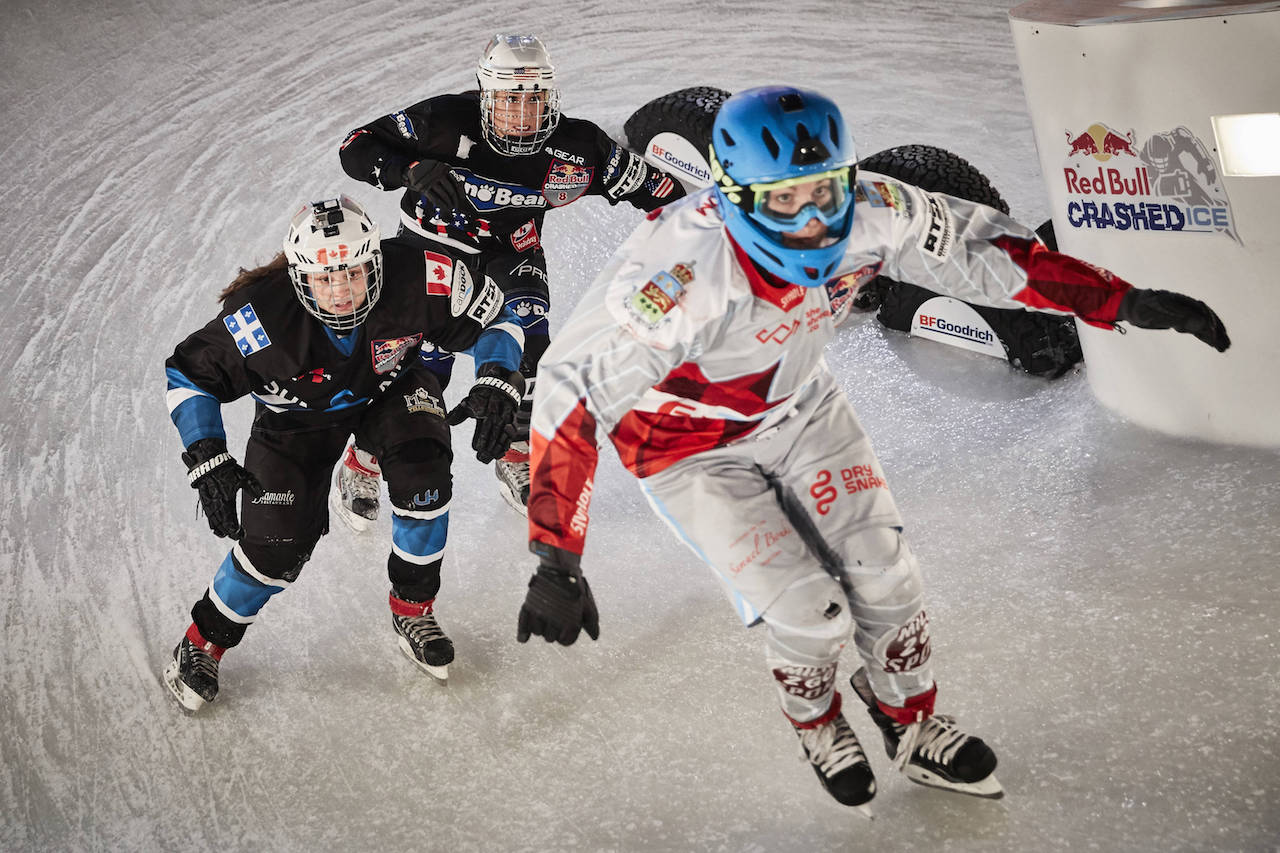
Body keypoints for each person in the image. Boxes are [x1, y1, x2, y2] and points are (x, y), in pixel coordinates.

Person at [513, 86, 1230, 809]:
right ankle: (817, 719)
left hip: (798, 405)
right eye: (786, 202)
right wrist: (556, 552)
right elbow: (572, 384)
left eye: (826, 190)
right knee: (806, 610)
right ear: (731, 196)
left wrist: (1122, 299)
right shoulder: (679, 274)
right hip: (684, 443)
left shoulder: (874, 209)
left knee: (891, 578)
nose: (818, 221)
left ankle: (910, 721)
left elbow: (985, 252)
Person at [162, 195, 525, 712]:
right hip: (295, 425)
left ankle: (413, 608)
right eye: (325, 279)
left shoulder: (421, 273)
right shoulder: (261, 314)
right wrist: (206, 454)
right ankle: (201, 643)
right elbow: (188, 373)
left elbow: (498, 314)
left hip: (390, 392)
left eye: (353, 273)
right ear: (299, 276)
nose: (341, 291)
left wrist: (497, 376)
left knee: (426, 481)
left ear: (376, 258)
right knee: (275, 548)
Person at [333, 33, 686, 522]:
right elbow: (355, 147)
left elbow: (659, 190)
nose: (521, 114)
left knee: (530, 346)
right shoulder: (441, 119)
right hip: (427, 246)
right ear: (484, 95)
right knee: (417, 363)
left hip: (508, 252)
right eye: (508, 100)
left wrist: (714, 230)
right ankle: (366, 456)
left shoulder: (579, 148)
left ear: (551, 98)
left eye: (534, 99)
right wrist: (408, 169)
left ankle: (515, 450)